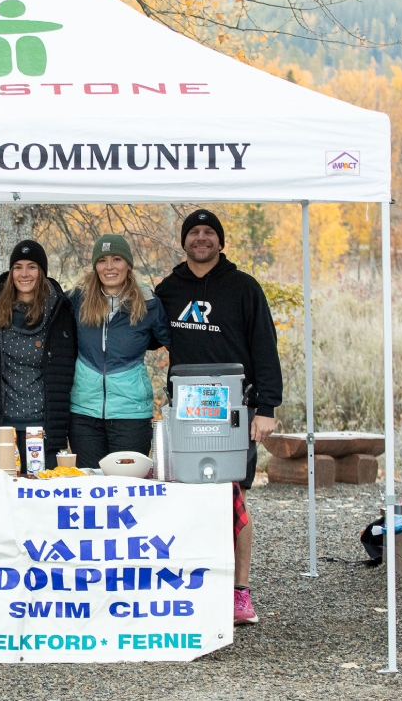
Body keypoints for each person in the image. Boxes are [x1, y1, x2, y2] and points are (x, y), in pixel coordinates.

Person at [154, 209, 283, 627]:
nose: (202, 238)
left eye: (210, 232)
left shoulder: (244, 288)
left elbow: (265, 346)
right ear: (184, 241)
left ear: (221, 242)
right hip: (185, 413)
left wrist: (267, 408)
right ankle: (192, 586)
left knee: (233, 499)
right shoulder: (168, 290)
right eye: (195, 232)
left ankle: (239, 592)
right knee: (185, 498)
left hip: (232, 410)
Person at [68, 233, 170, 469]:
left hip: (131, 413)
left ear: (128, 264)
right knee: (89, 485)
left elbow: (177, 343)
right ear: (95, 266)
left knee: (128, 485)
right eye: (102, 260)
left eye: (117, 259)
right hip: (84, 412)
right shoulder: (78, 299)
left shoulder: (148, 303)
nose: (109, 267)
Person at [0, 240, 77, 469]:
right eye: (18, 267)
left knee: (44, 495)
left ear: (41, 272)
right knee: (0, 496)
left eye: (32, 266)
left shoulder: (60, 311)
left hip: (44, 425)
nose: (24, 273)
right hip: (1, 425)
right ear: (11, 272)